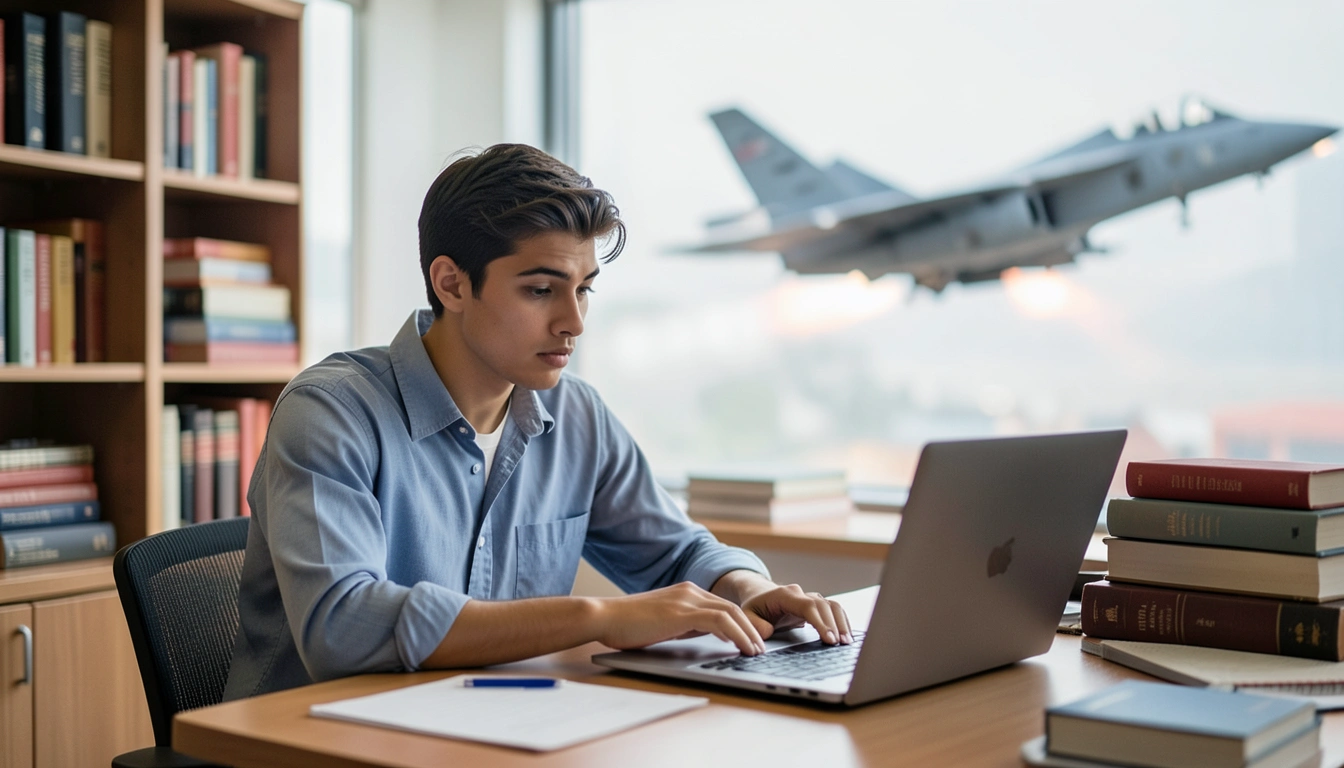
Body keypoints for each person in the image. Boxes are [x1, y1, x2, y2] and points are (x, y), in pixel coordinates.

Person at [223, 144, 851, 700]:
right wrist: (600, 618)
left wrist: (743, 587)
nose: (574, 322)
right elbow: (343, 625)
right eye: (541, 290)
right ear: (452, 283)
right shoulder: (331, 413)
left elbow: (677, 552)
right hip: (313, 741)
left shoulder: (577, 415)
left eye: (584, 290)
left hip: (496, 724)